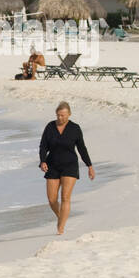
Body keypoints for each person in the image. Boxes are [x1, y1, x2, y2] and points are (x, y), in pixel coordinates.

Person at [39, 101, 95, 235]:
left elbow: (82, 148)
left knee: (65, 197)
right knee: (52, 199)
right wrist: (42, 161)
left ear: (69, 114)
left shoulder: (75, 128)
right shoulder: (50, 127)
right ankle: (61, 217)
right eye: (58, 115)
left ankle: (61, 227)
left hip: (70, 165)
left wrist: (89, 165)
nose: (60, 118)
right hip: (52, 165)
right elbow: (43, 146)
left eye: (63, 115)